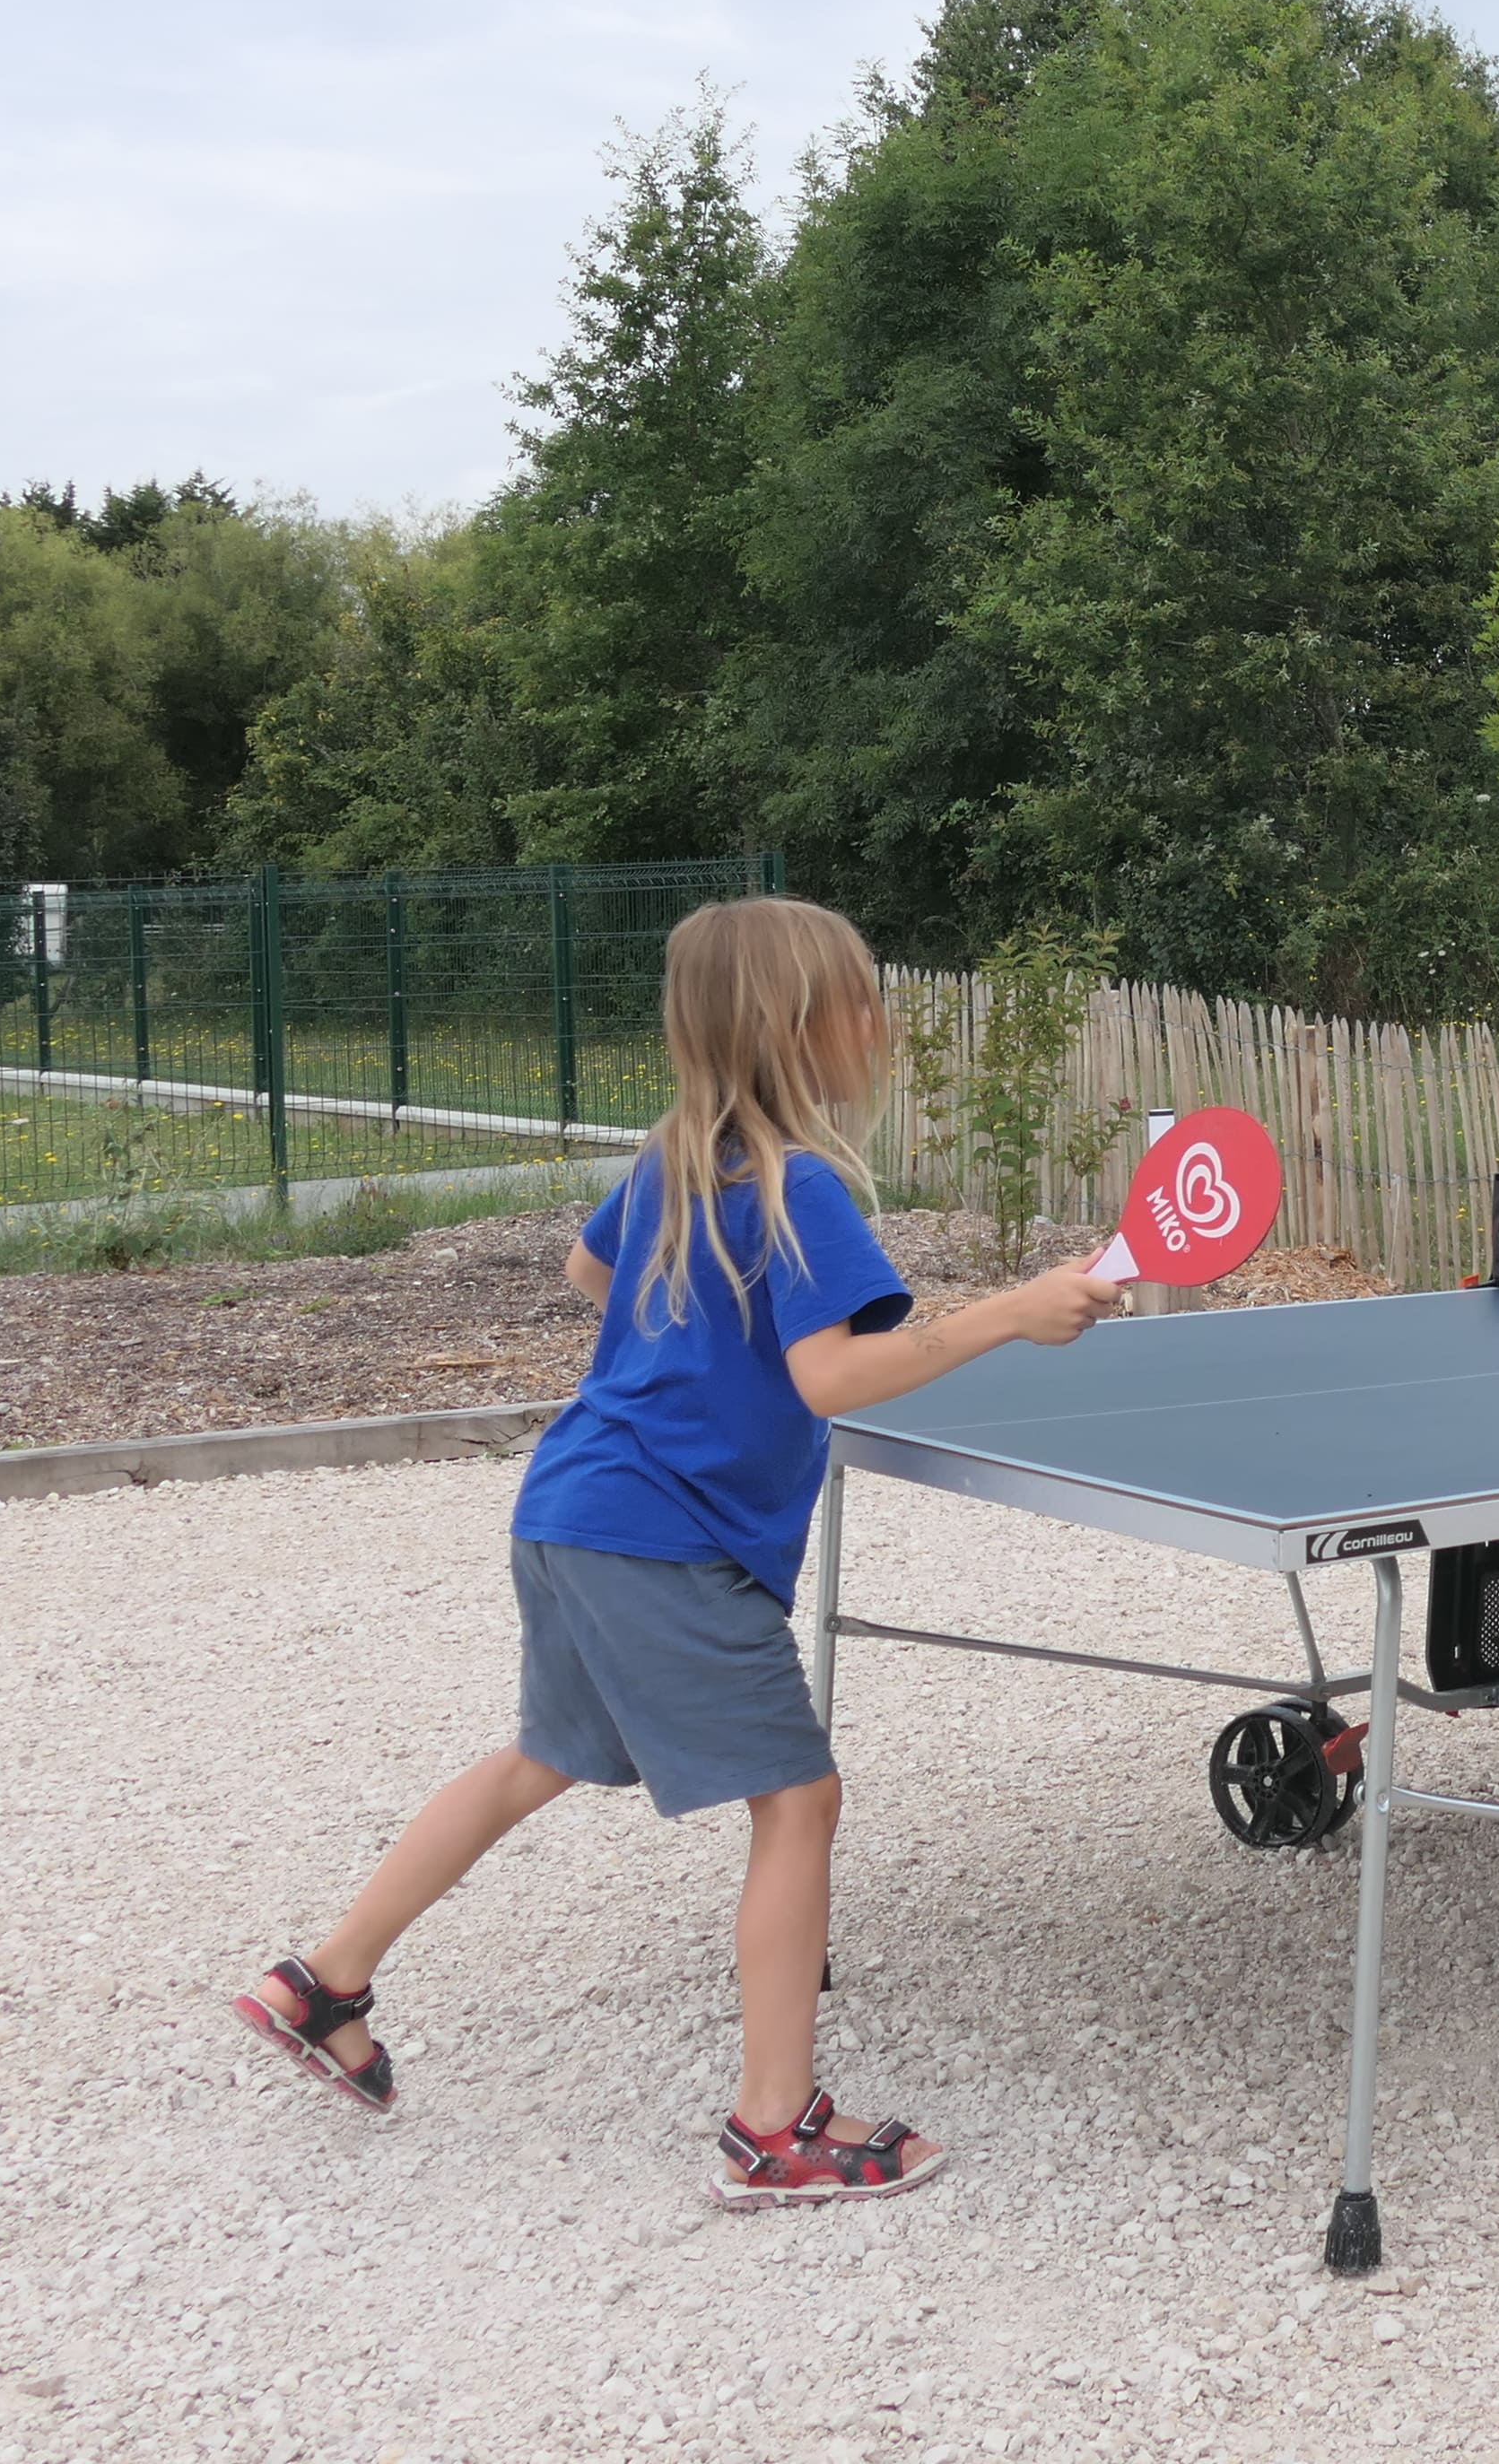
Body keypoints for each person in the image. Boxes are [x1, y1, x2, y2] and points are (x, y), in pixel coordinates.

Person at [227, 895, 1121, 2207]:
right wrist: (1012, 1312)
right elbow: (832, 1377)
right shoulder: (801, 1186)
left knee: (539, 1759)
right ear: (799, 1028)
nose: (880, 1023)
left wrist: (700, 1344)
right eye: (863, 1000)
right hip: (664, 1541)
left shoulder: (677, 1160)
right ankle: (775, 2130)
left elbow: (593, 1277)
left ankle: (324, 1984)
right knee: (798, 1799)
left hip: (571, 1507)